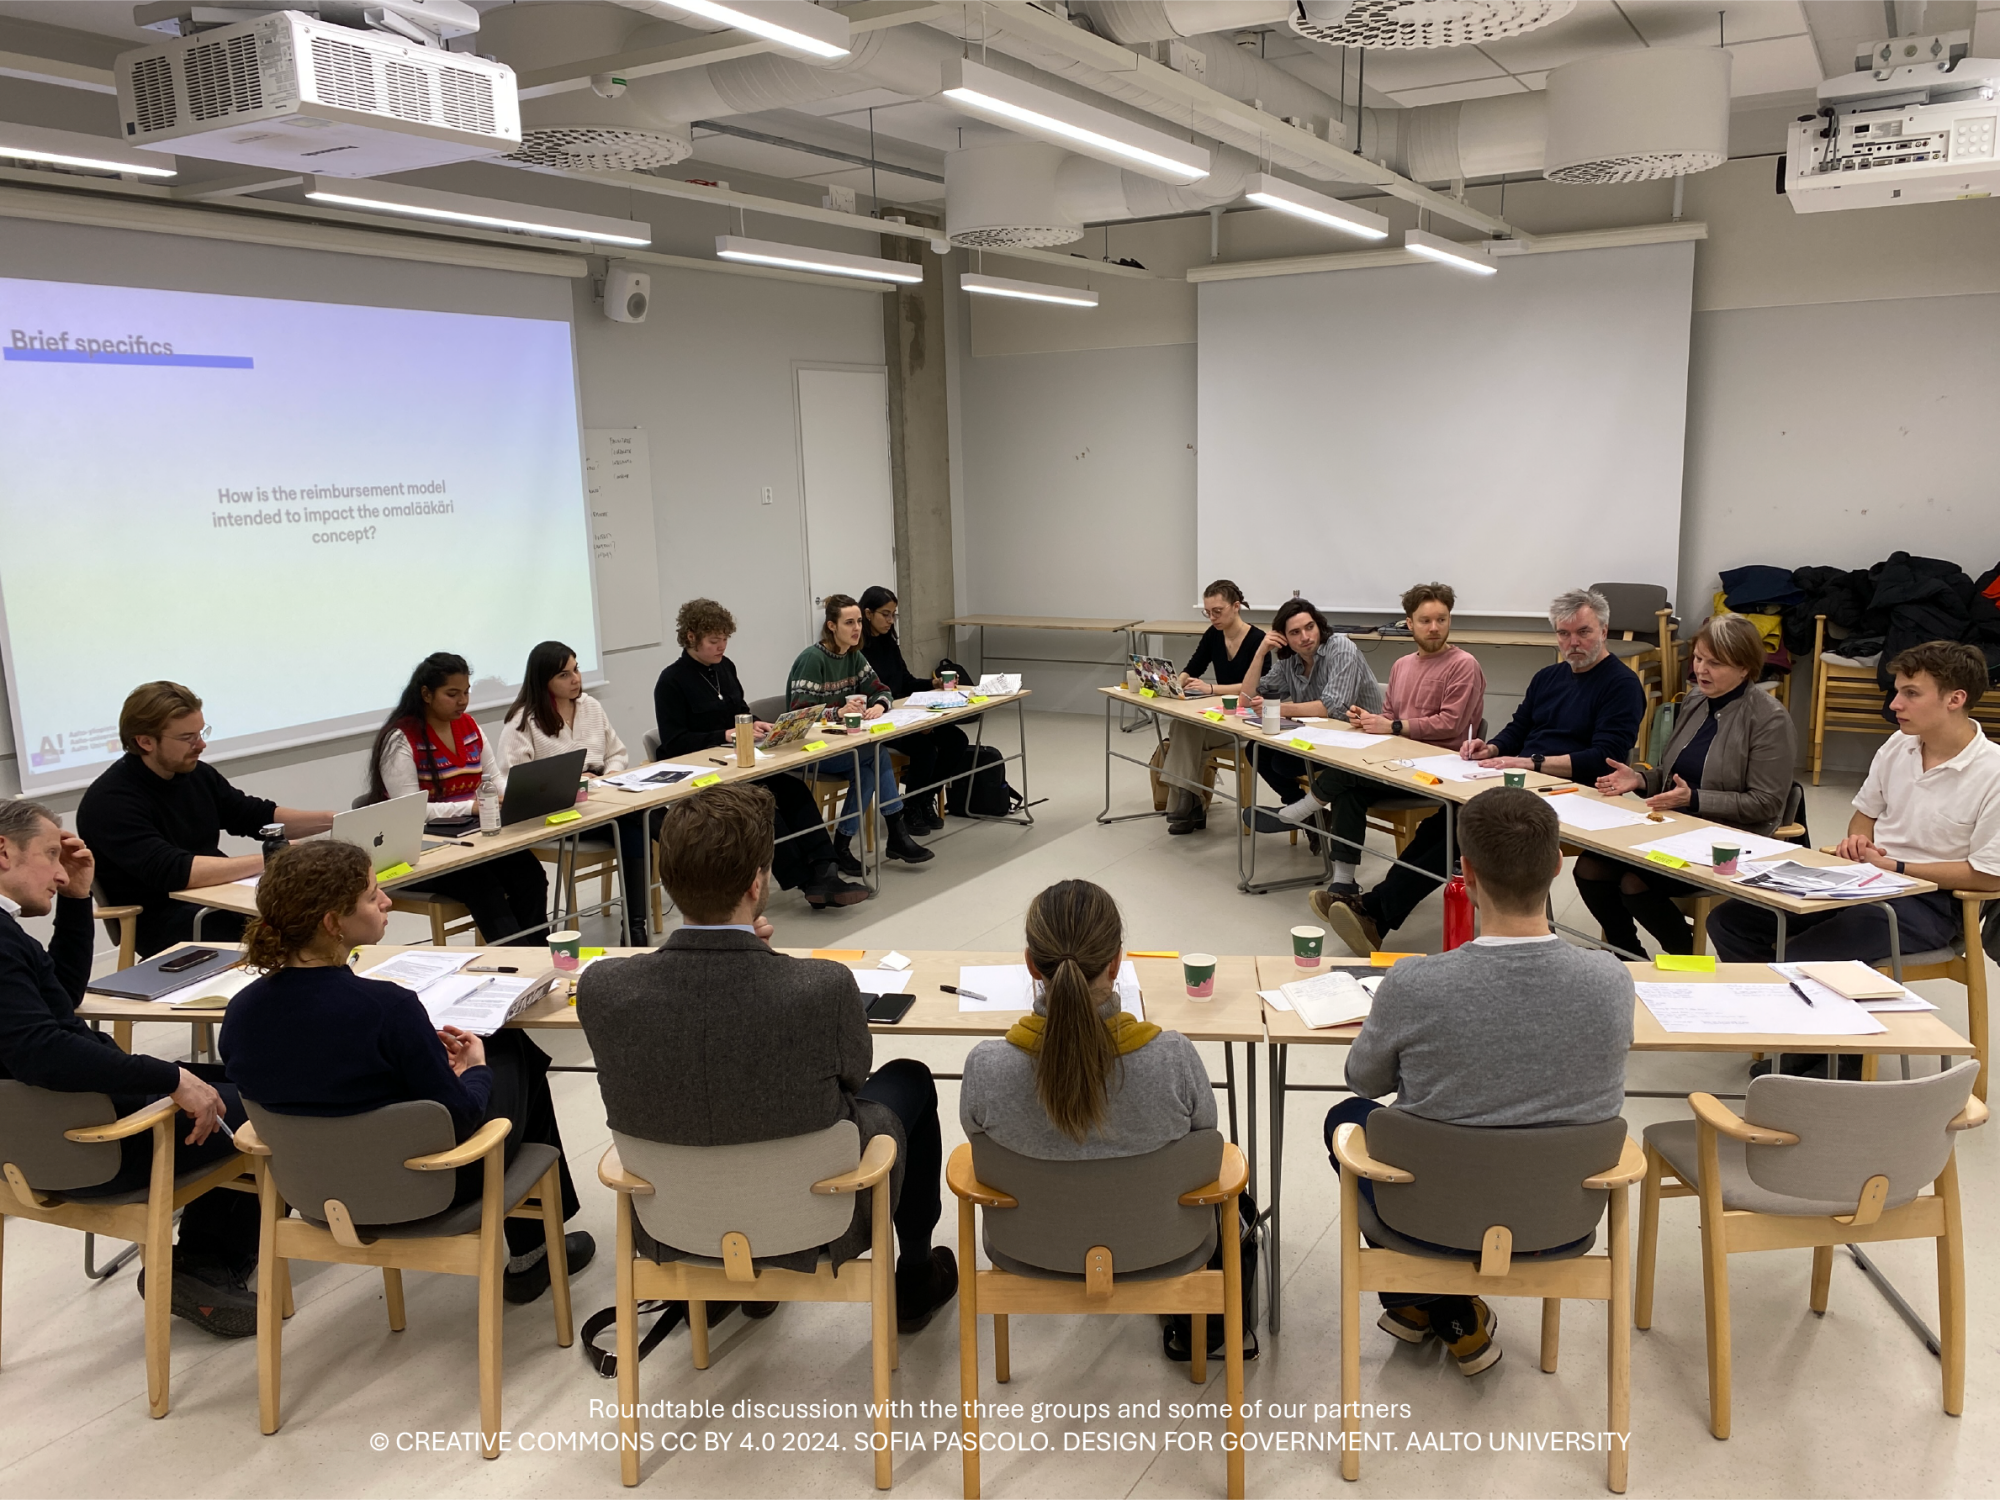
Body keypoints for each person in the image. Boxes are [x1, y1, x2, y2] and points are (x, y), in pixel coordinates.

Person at [575, 782, 957, 1332]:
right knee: (910, 1078)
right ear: (757, 883)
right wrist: (764, 961)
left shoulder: (603, 987)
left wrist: (752, 956)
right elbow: (852, 1079)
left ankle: (738, 1284)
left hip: (673, 1221)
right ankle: (916, 1276)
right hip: (817, 1218)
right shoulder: (822, 987)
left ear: (667, 877)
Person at [1324, 787, 1633, 1375]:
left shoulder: (1415, 984)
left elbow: (1363, 1081)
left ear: (1463, 872)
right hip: (1558, 1221)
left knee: (1346, 1119)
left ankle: (1425, 1299)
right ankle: (1449, 1310)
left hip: (1426, 1221)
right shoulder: (1610, 980)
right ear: (1558, 864)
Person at [219, 840, 592, 1303]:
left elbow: (322, 1078)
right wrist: (473, 1070)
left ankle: (537, 1250)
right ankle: (533, 1254)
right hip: (427, 1184)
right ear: (333, 923)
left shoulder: (241, 1011)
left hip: (312, 1189)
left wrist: (425, 1060)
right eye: (372, 895)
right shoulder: (388, 1008)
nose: (387, 902)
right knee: (512, 1050)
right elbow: (462, 1120)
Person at [0, 799, 261, 1335]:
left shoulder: (7, 937)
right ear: (3, 852)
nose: (59, 872)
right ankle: (202, 1264)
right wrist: (169, 1078)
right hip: (89, 1143)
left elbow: (57, 1001)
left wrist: (77, 901)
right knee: (270, 1103)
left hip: (31, 1138)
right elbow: (42, 1050)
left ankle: (205, 1258)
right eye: (49, 855)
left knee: (244, 1080)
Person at [959, 879, 1229, 1361]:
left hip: (1029, 1250)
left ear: (1031, 965)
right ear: (1116, 963)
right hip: (1165, 1247)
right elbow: (1205, 1149)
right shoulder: (1173, 1058)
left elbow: (977, 1145)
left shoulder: (987, 1067)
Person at [1314, 587, 1644, 955]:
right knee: (1444, 820)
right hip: (1524, 779)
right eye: (1563, 634)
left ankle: (1375, 911)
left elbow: (1604, 758)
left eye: (1583, 632)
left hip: (1574, 793)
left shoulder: (1622, 684)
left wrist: (1531, 762)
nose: (1573, 643)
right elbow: (1518, 727)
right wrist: (1493, 748)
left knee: (1467, 828)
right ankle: (1373, 910)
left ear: (1604, 630)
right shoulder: (1549, 676)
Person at [1710, 639, 2000, 965]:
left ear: (1955, 699)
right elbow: (1865, 815)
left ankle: (1782, 984)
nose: (1895, 704)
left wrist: (1897, 867)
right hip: (1866, 879)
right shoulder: (1898, 744)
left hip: (1931, 902)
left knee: (1802, 957)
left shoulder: (1993, 771)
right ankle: (1772, 988)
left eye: (1911, 694)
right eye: (1898, 691)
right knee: (1730, 920)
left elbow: (1989, 875)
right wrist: (1859, 841)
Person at [1579, 614, 1796, 956]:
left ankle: (1685, 959)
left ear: (1744, 668)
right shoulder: (1695, 700)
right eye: (1698, 658)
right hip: (1676, 827)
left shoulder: (1769, 719)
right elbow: (1672, 774)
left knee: (1635, 882)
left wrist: (1693, 799)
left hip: (1729, 841)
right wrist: (1639, 779)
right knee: (1590, 867)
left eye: (1715, 663)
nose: (1700, 670)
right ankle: (1626, 954)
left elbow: (1766, 804)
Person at [76, 681, 335, 958]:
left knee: (321, 905)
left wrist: (334, 820)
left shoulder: (195, 774)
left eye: (201, 732)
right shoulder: (110, 802)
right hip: (165, 919)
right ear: (145, 741)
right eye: (187, 738)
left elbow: (254, 816)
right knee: (295, 927)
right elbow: (174, 871)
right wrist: (275, 856)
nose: (200, 744)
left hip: (215, 898)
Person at [652, 598, 867, 908]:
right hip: (706, 772)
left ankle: (825, 867)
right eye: (713, 640)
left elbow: (738, 710)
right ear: (691, 637)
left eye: (725, 638)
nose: (721, 646)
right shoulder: (671, 681)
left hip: (740, 762)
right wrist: (724, 734)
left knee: (794, 790)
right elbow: (674, 743)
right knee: (762, 805)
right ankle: (807, 881)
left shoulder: (725, 667)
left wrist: (755, 723)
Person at [1292, 582, 1486, 895]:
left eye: (1441, 619)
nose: (1434, 628)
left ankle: (1304, 809)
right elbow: (1389, 715)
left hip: (1438, 770)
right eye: (1425, 621)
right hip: (1397, 762)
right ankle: (1343, 882)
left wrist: (1393, 726)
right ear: (1409, 623)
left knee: (1348, 775)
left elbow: (1450, 725)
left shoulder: (1464, 665)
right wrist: (1367, 721)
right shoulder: (1401, 665)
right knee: (1349, 790)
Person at [367, 653, 551, 947]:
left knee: (530, 875)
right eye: (452, 694)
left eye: (466, 692)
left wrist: (517, 793)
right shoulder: (401, 738)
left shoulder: (469, 726)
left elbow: (493, 778)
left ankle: (540, 953)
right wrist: (471, 807)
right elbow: (409, 811)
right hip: (427, 853)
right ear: (426, 694)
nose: (462, 701)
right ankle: (519, 960)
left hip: (474, 840)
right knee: (485, 888)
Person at [497, 640, 649, 947]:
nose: (576, 679)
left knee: (641, 823)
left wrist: (607, 775)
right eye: (564, 675)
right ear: (544, 680)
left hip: (602, 799)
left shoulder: (590, 706)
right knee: (640, 825)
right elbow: (512, 782)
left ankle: (635, 928)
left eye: (576, 670)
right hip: (557, 812)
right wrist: (573, 784)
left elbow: (617, 753)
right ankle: (636, 930)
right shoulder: (524, 720)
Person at [787, 594, 933, 867]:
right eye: (849, 623)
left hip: (844, 746)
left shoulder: (854, 655)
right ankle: (896, 833)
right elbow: (799, 715)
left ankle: (842, 847)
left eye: (858, 622)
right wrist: (838, 712)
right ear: (831, 626)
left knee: (867, 771)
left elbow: (882, 690)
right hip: (812, 750)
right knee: (876, 754)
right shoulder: (812, 659)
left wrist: (879, 705)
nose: (856, 629)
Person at [1237, 597, 1382, 832]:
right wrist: (1260, 653)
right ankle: (1310, 817)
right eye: (1295, 632)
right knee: (1257, 750)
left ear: (1319, 626)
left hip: (1360, 738)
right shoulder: (1289, 660)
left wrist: (1277, 708)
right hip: (1319, 736)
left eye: (1309, 627)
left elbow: (1333, 707)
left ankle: (1302, 815)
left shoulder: (1341, 648)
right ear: (1284, 638)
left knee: (1282, 763)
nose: (1305, 637)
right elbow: (1245, 700)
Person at [1161, 580, 1270, 835]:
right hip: (1222, 715)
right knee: (1183, 725)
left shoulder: (1258, 639)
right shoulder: (1213, 634)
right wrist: (1176, 683)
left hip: (1247, 719)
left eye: (1217, 611)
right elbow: (1194, 665)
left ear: (1236, 606)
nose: (1212, 618)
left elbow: (1257, 687)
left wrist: (1212, 689)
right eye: (1208, 612)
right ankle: (1190, 801)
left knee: (1183, 730)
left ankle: (1190, 803)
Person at [859, 585, 969, 836]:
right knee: (925, 750)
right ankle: (910, 808)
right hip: (882, 720)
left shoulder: (889, 643)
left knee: (957, 740)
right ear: (868, 613)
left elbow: (905, 682)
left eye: (893, 615)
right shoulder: (859, 652)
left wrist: (932, 684)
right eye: (885, 614)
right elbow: (865, 695)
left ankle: (922, 799)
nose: (890, 620)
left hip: (906, 712)